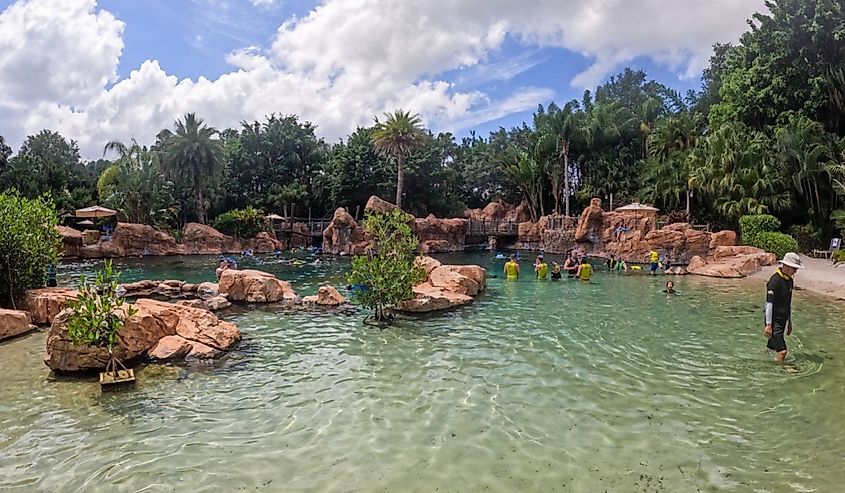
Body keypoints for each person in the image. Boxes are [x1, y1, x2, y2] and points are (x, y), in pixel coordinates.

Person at [764, 252, 803, 365]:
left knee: (771, 348)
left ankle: (763, 363)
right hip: (774, 321)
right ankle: (779, 371)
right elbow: (769, 304)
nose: (795, 271)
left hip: (782, 320)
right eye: (794, 268)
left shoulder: (790, 281)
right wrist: (768, 325)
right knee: (782, 352)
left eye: (796, 269)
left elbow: (788, 303)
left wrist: (789, 322)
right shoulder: (774, 281)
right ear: (785, 265)